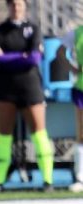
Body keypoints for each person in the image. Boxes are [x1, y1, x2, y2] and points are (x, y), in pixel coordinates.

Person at [0, 0, 54, 193]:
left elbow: (34, 58)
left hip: (30, 87)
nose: (16, 8)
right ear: (8, 7)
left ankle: (48, 180)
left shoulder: (33, 29)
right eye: (13, 4)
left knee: (39, 133)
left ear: (24, 7)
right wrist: (20, 57)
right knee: (3, 135)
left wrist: (8, 57)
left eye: (20, 4)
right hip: (5, 88)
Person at [61, 23, 83, 192]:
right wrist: (73, 68)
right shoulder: (76, 34)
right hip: (81, 89)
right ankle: (80, 177)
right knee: (81, 135)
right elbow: (60, 53)